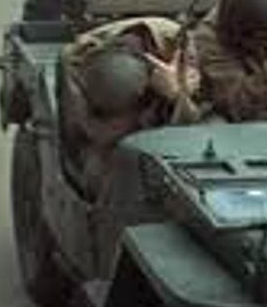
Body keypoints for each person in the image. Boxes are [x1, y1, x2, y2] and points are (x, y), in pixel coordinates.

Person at [61, 16, 209, 198]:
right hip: (114, 133)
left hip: (156, 78)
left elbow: (198, 132)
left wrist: (177, 95)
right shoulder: (87, 86)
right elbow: (92, 135)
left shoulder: (177, 48)